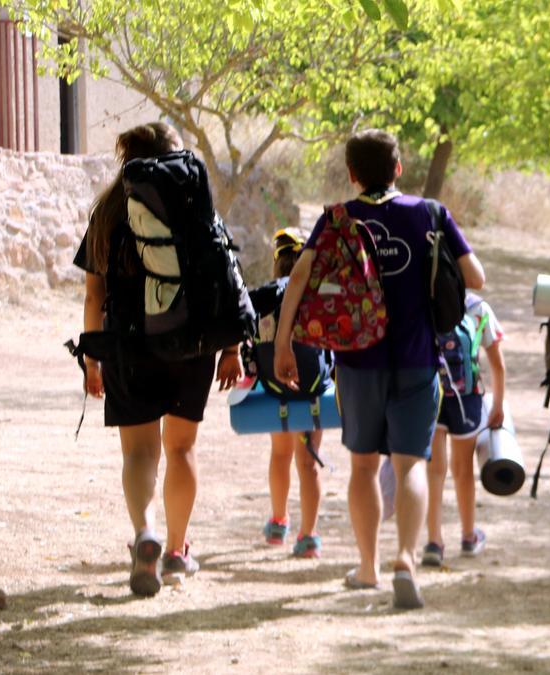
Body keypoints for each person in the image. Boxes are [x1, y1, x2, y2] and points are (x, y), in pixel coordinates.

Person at [272, 129, 484, 610]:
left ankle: (367, 567)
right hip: (417, 359)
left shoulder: (337, 218)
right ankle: (406, 558)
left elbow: (299, 277)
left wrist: (283, 343)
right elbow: (476, 278)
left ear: (352, 174)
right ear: (399, 168)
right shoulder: (430, 214)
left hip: (356, 361)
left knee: (364, 465)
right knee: (410, 462)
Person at [74, 122, 242, 597]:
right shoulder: (195, 202)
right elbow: (226, 275)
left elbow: (93, 295)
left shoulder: (108, 212)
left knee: (139, 452)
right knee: (181, 450)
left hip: (129, 345)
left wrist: (92, 358)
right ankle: (175, 551)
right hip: (193, 342)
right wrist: (231, 348)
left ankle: (143, 533)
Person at [250, 229, 329, 558]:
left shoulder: (264, 294)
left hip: (275, 387)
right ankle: (308, 536)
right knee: (308, 463)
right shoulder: (319, 294)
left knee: (280, 454)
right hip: (312, 391)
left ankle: (279, 521)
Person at [423, 292, 506, 567]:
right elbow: (497, 363)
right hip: (467, 398)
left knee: (435, 470)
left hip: (431, 396)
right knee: (463, 470)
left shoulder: (423, 300)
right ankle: (469, 536)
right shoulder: (478, 307)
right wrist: (498, 404)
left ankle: (434, 542)